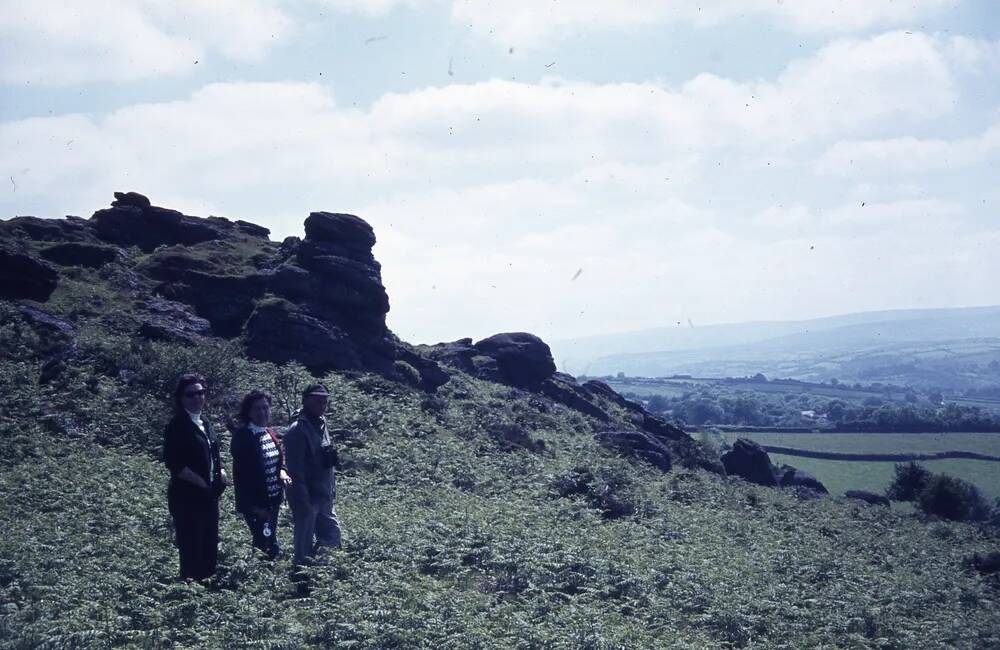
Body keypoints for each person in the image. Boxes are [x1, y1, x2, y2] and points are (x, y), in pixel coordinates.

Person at [162, 374, 226, 580]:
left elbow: (214, 453)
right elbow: (175, 464)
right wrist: (202, 484)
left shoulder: (205, 423)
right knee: (192, 546)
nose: (197, 398)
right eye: (191, 394)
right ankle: (190, 593)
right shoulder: (177, 426)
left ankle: (207, 590)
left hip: (208, 496)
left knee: (209, 544)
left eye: (201, 393)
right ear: (181, 398)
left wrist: (220, 473)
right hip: (187, 497)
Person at [284, 383, 342, 565]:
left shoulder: (322, 423)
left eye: (324, 401)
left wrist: (331, 490)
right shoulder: (297, 430)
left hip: (324, 493)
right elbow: (295, 470)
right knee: (304, 542)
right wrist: (303, 500)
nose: (321, 404)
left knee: (332, 534)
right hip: (307, 496)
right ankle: (302, 579)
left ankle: (320, 572)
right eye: (317, 400)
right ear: (305, 401)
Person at [231, 390, 291, 559]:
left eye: (265, 407)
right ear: (248, 412)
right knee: (263, 541)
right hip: (257, 502)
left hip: (273, 498)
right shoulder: (243, 437)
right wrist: (257, 506)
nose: (262, 412)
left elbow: (279, 460)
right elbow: (244, 478)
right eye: (257, 409)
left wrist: (282, 472)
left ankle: (267, 574)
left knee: (269, 537)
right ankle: (259, 577)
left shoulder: (269, 432)